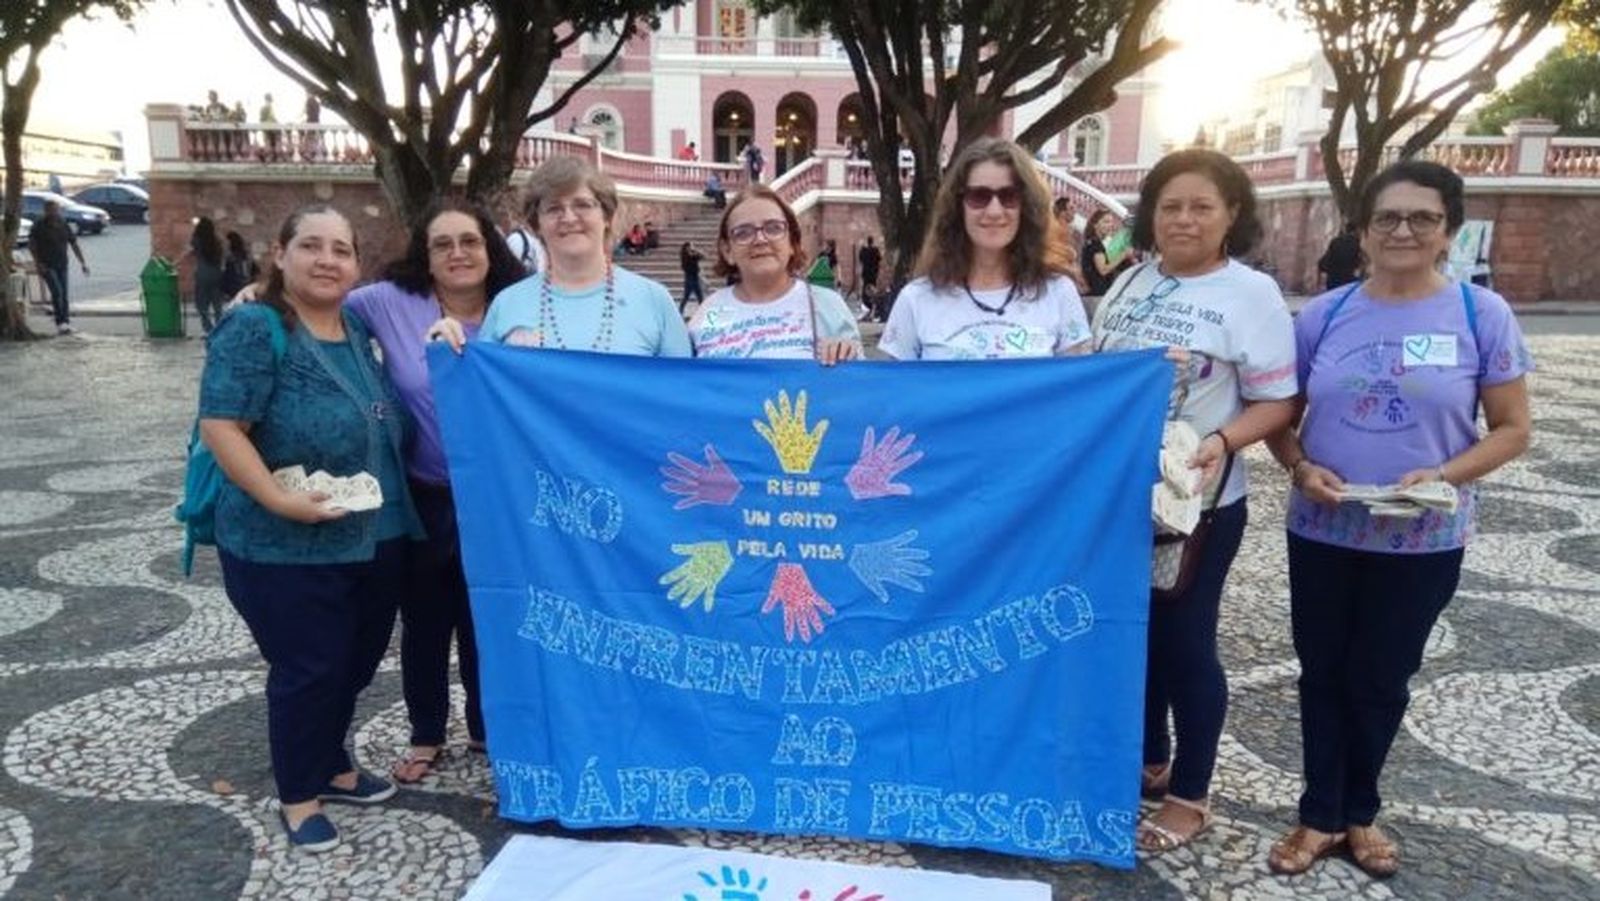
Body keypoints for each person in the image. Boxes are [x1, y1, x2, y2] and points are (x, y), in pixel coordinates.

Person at [1263, 161, 1531, 879]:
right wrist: (1298, 466)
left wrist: (1442, 475)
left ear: (1449, 230)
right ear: (1363, 229)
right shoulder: (1324, 314)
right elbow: (1281, 417)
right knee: (1323, 669)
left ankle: (1360, 810)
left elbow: (1511, 428)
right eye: (1388, 217)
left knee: (1383, 674)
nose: (1403, 230)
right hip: (1325, 527)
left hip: (1423, 535)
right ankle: (1318, 812)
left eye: (1423, 218)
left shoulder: (1482, 315)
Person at [1090, 148, 1297, 853]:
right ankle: (1150, 758)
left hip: (1197, 505)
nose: (1184, 218)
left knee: (1185, 645)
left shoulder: (1251, 294)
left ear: (1231, 213)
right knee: (1133, 633)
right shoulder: (1131, 282)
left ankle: (1190, 793)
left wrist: (1224, 441)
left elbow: (1279, 399)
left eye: (1201, 205)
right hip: (1120, 498)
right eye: (1171, 205)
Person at [198, 204, 422, 852]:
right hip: (284, 543)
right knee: (309, 666)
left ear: (356, 263)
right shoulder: (254, 325)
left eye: (341, 249)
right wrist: (275, 496)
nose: (327, 260)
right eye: (311, 246)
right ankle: (299, 793)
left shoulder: (353, 323)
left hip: (371, 536)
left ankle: (333, 762)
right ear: (281, 253)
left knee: (351, 662)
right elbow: (222, 425)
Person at [345, 199, 525, 785]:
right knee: (424, 621)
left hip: (499, 500)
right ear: (425, 255)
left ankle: (486, 727)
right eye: (442, 243)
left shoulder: (517, 307)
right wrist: (259, 297)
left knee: (487, 617)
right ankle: (426, 732)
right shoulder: (390, 303)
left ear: (489, 248)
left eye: (468, 241)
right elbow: (315, 307)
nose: (457, 254)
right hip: (424, 494)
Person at [429, 155, 690, 358]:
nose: (568, 218)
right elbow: (484, 396)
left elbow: (682, 398)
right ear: (537, 224)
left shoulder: (654, 300)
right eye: (553, 208)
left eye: (582, 205)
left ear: (607, 217)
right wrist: (449, 350)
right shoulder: (507, 305)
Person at [879, 137, 1091, 361]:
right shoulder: (917, 299)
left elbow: (1080, 389)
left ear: (1026, 206)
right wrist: (840, 355)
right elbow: (889, 389)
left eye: (1009, 196)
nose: (994, 211)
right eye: (979, 196)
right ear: (958, 206)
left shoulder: (1058, 293)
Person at [687, 184, 860, 363]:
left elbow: (857, 385)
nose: (760, 240)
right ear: (727, 251)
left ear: (792, 242)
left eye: (773, 228)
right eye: (743, 233)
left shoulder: (826, 305)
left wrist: (845, 354)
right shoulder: (711, 310)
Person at [27, 200, 89, 335]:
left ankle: (66, 322)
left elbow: (73, 243)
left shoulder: (63, 223)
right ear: (46, 211)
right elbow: (32, 245)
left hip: (62, 263)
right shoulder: (39, 225)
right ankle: (60, 322)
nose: (54, 212)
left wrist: (82, 263)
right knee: (57, 292)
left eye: (56, 210)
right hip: (47, 264)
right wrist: (38, 263)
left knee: (64, 294)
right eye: (51, 210)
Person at [180, 217, 227, 334]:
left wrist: (174, 263)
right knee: (217, 304)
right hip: (217, 274)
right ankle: (220, 327)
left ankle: (208, 328)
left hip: (202, 274)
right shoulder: (216, 240)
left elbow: (187, 252)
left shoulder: (196, 240)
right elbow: (223, 255)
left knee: (201, 303)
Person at [1082, 208, 1134, 296]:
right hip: (1098, 294)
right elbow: (1103, 270)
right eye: (1106, 222)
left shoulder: (1091, 242)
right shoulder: (1095, 244)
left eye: (1111, 222)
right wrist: (1124, 255)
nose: (1110, 225)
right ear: (1095, 225)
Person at [1052, 196, 1088, 293]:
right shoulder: (1054, 230)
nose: (1075, 212)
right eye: (1071, 208)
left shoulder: (1067, 230)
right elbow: (1054, 258)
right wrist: (1073, 273)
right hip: (1058, 281)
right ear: (1063, 213)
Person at [1317, 222, 1362, 289]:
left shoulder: (1335, 241)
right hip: (1348, 280)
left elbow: (1323, 262)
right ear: (1356, 230)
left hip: (1333, 279)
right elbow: (1360, 263)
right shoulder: (1358, 243)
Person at [221, 231, 261, 304]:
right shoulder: (246, 254)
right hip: (245, 281)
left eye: (227, 241)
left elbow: (228, 270)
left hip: (235, 283)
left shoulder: (231, 256)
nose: (226, 244)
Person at [856, 237, 883, 321]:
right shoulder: (875, 250)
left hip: (866, 273)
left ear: (867, 242)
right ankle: (872, 304)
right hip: (873, 273)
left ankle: (866, 304)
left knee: (865, 288)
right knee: (873, 288)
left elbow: (860, 259)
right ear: (872, 242)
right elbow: (879, 259)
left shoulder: (863, 250)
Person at [680, 241, 705, 312]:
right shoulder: (689, 256)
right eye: (691, 246)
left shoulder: (688, 256)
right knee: (699, 296)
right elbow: (703, 256)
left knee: (687, 296)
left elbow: (703, 256)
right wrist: (695, 251)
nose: (692, 247)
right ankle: (703, 311)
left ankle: (680, 310)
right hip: (692, 278)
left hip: (690, 278)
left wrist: (695, 251)